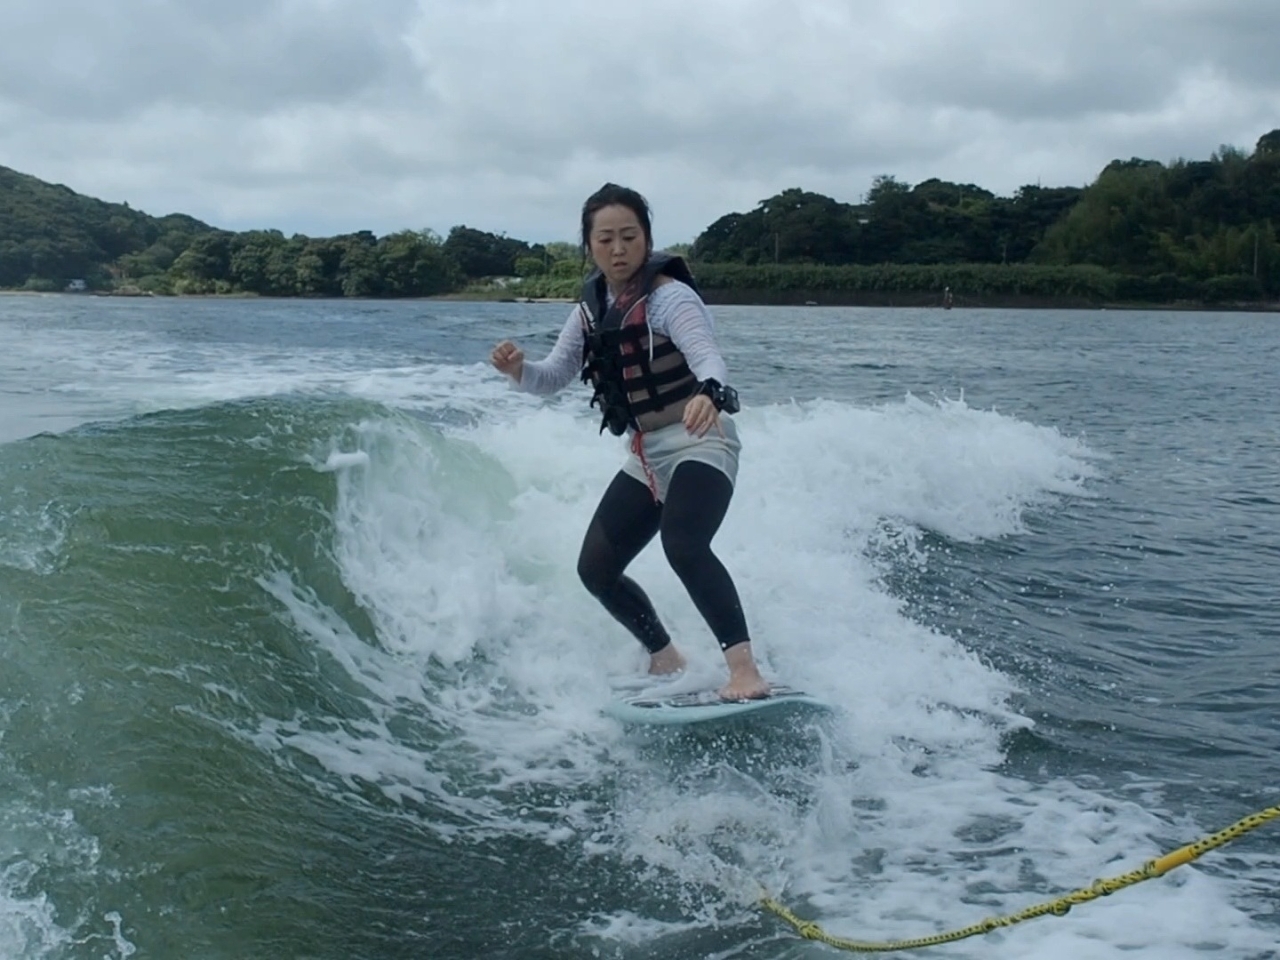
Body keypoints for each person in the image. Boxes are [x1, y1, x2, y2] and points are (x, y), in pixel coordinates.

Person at [490, 183, 769, 700]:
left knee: (683, 543)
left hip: (700, 440)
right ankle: (665, 658)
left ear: (646, 239)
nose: (618, 249)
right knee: (595, 569)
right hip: (646, 456)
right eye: (605, 240)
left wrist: (710, 393)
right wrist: (518, 370)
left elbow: (708, 356)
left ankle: (745, 672)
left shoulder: (669, 298)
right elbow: (551, 378)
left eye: (629, 236)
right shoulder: (590, 310)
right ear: (589, 245)